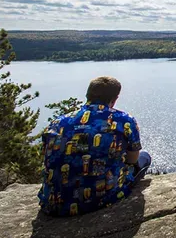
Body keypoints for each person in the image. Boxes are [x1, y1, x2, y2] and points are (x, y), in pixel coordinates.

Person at [38, 76, 151, 216]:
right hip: (100, 198)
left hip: (53, 202)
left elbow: (47, 157)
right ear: (115, 99)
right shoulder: (124, 120)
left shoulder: (57, 123)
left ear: (88, 95)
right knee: (144, 157)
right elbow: (133, 160)